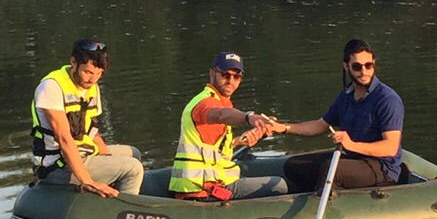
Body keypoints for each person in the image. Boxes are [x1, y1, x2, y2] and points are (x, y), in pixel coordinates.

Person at [276, 37, 404, 193]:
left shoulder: (387, 99)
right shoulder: (346, 95)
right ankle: (307, 196)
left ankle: (325, 199)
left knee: (331, 170)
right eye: (357, 66)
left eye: (368, 65)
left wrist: (351, 144)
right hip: (355, 159)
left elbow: (390, 147)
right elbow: (320, 125)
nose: (364, 71)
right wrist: (283, 128)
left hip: (382, 168)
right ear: (346, 66)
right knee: (294, 166)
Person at [31, 38, 144, 196]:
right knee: (133, 168)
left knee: (133, 154)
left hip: (85, 152)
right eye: (88, 72)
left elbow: (92, 131)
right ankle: (124, 209)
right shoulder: (51, 87)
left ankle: (109, 198)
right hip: (57, 166)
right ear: (73, 62)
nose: (93, 79)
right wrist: (87, 181)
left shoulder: (91, 87)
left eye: (99, 74)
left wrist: (107, 159)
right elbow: (64, 139)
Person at [169, 50, 287, 200]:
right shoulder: (205, 103)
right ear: (212, 74)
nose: (231, 81)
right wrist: (249, 117)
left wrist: (240, 141)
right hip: (203, 191)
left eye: (236, 76)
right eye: (225, 74)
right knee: (279, 185)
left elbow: (210, 151)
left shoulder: (222, 102)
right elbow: (220, 114)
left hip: (207, 184)